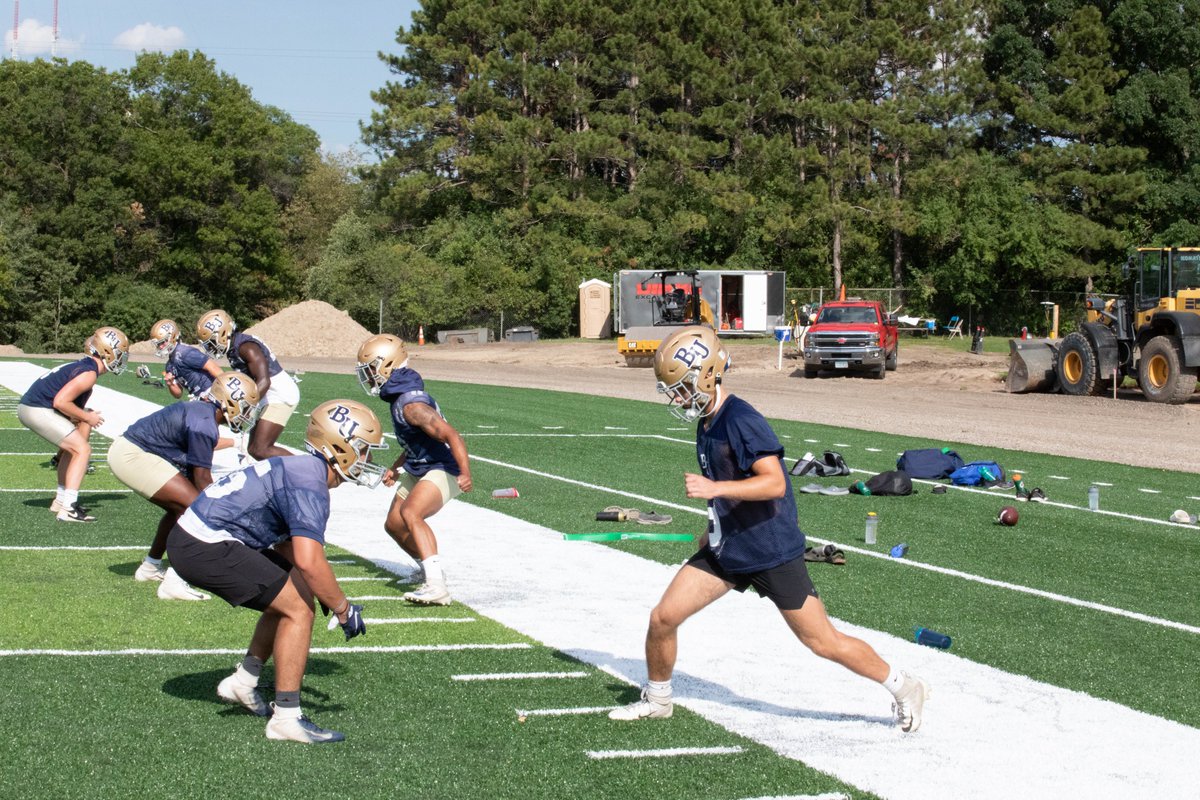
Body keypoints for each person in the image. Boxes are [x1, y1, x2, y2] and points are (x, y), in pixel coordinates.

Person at [609, 326, 930, 732]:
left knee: (822, 642)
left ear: (707, 374)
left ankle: (905, 688)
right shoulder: (707, 420)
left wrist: (714, 489)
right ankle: (658, 699)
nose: (678, 398)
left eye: (683, 387)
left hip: (769, 550)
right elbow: (730, 478)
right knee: (663, 618)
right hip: (730, 549)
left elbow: (775, 482)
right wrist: (715, 521)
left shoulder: (741, 419)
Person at [165, 399, 388, 743]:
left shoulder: (301, 468)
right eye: (363, 450)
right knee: (298, 610)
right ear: (340, 447)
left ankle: (244, 681)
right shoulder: (309, 483)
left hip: (194, 536)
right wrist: (343, 609)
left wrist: (316, 586)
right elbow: (309, 559)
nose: (367, 460)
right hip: (203, 544)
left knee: (293, 593)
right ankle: (286, 718)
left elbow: (292, 552)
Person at [107, 372, 260, 600]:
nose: (247, 414)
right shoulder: (204, 423)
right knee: (197, 511)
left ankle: (150, 567)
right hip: (133, 455)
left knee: (181, 508)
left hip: (133, 451)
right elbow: (202, 481)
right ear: (230, 403)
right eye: (245, 407)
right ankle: (176, 581)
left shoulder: (204, 415)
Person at [355, 334, 472, 606]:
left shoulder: (412, 406)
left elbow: (452, 435)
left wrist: (465, 472)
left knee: (411, 513)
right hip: (420, 466)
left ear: (387, 365)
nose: (369, 377)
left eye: (372, 369)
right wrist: (396, 467)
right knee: (394, 524)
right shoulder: (401, 399)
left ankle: (436, 585)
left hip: (444, 468)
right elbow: (414, 441)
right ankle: (428, 569)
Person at [17, 326, 129, 522]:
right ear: (107, 352)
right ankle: (68, 507)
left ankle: (61, 501)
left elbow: (67, 410)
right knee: (82, 450)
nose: (121, 358)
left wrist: (83, 418)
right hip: (36, 409)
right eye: (119, 353)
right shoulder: (88, 373)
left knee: (75, 449)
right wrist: (87, 418)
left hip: (33, 407)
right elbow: (60, 402)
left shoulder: (85, 368)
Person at [195, 309, 299, 461]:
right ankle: (287, 473)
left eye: (212, 342)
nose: (211, 348)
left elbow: (264, 380)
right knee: (253, 449)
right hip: (266, 394)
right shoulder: (235, 347)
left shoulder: (246, 347)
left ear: (223, 334)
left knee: (261, 449)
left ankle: (304, 469)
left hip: (279, 394)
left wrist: (245, 408)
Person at [150, 318, 223, 400]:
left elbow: (212, 367)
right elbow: (178, 394)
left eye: (163, 342)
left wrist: (221, 390)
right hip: (199, 397)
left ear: (172, 337)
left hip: (212, 390)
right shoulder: (169, 365)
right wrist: (170, 384)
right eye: (158, 344)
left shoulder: (185, 352)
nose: (160, 346)